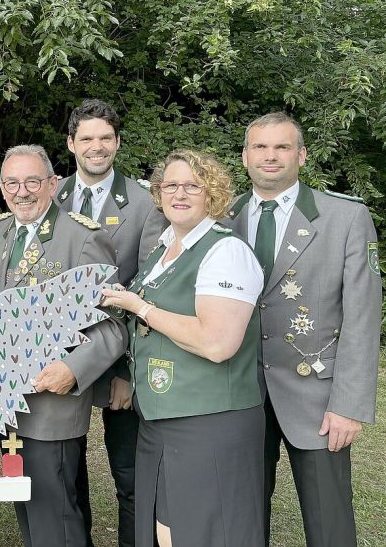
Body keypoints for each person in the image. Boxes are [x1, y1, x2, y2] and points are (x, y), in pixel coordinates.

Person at [224, 112, 381, 547]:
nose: (270, 156)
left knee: (329, 523)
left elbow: (363, 317)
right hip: (239, 393)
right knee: (240, 518)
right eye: (260, 147)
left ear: (302, 156)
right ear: (245, 157)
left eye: (282, 147)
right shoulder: (224, 216)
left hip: (316, 398)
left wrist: (349, 404)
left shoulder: (344, 217)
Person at [101, 149, 265, 547]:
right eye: (171, 185)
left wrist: (140, 307)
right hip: (161, 418)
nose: (180, 193)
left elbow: (217, 342)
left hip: (209, 420)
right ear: (158, 193)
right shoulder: (165, 247)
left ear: (213, 192)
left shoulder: (225, 251)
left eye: (193, 185)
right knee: (167, 530)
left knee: (207, 532)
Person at [0, 144, 126, 547]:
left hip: (52, 404)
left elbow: (112, 325)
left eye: (32, 181)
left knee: (53, 515)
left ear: (53, 184)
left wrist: (72, 370)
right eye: (11, 182)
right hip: (4, 405)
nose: (22, 192)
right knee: (27, 506)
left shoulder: (83, 238)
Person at [56, 99, 167, 547]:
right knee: (67, 472)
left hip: (125, 358)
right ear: (71, 144)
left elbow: (150, 284)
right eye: (87, 138)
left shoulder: (145, 201)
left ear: (117, 143)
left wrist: (123, 368)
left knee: (131, 476)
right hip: (63, 359)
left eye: (105, 138)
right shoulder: (51, 194)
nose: (96, 147)